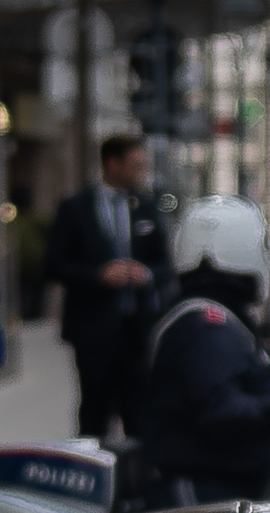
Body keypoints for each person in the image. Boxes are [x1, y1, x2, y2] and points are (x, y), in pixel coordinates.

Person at [141, 196, 270, 505]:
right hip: (207, 499)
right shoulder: (206, 325)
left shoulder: (214, 318)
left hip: (223, 489)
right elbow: (223, 411)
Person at [47, 135, 173, 439]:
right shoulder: (75, 207)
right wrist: (98, 276)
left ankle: (136, 480)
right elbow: (53, 265)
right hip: (93, 329)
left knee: (139, 412)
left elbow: (166, 264)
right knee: (94, 411)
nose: (141, 172)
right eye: (136, 165)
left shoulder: (147, 207)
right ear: (112, 163)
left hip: (138, 330)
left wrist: (145, 274)